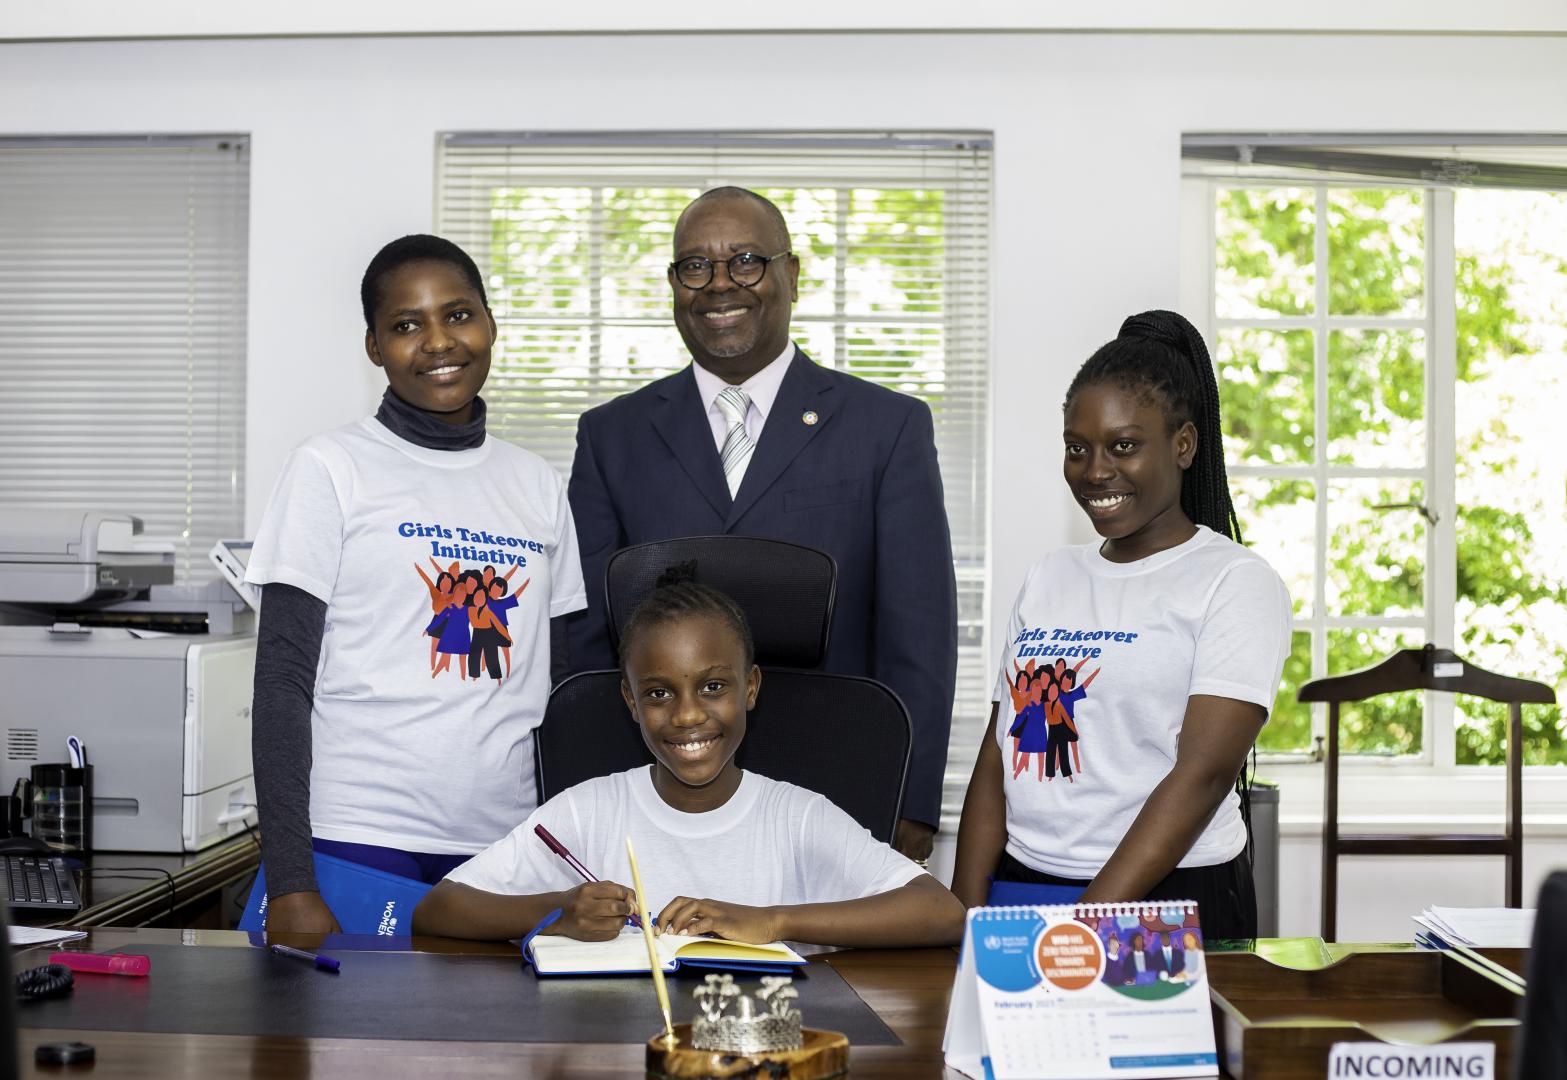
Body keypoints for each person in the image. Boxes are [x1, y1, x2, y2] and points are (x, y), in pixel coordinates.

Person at [564, 187, 958, 861]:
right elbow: (587, 639)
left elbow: (917, 633)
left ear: (790, 275)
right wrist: (585, 792)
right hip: (660, 799)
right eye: (694, 266)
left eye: (745, 261)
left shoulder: (885, 427)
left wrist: (912, 800)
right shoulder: (612, 436)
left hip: (843, 791)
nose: (719, 284)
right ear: (673, 285)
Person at [246, 234, 587, 935]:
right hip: (355, 834)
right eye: (406, 325)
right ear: (374, 345)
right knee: (342, 1044)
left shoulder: (536, 485)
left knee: (497, 1048)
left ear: (490, 322)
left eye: (458, 315)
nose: (438, 342)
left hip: (503, 846)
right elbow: (281, 683)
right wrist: (289, 880)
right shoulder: (329, 468)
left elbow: (562, 688)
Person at [951, 310, 1292, 938]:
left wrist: (1086, 925)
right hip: (1024, 882)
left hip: (1165, 895)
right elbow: (998, 759)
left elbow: (1204, 774)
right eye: (1077, 449)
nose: (1095, 470)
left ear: (1183, 445)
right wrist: (965, 917)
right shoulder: (1050, 576)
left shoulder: (1235, 581)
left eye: (1124, 446)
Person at [414, 573, 965, 947]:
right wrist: (560, 908)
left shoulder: (796, 816)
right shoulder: (590, 810)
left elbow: (942, 913)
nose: (686, 716)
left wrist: (773, 920)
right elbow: (437, 910)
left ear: (750, 688)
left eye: (713, 687)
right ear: (630, 701)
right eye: (658, 694)